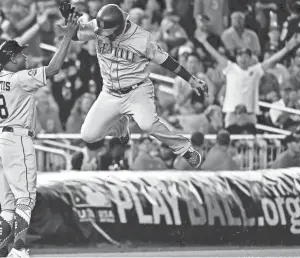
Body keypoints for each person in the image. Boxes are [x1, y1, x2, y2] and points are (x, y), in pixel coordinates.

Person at [58, 3, 209, 168]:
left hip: (136, 91)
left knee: (148, 125)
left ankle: (185, 149)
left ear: (119, 27)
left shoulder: (142, 39)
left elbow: (168, 62)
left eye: (108, 32)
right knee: (87, 135)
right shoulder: (98, 26)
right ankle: (121, 126)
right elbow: (76, 35)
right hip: (110, 93)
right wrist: (69, 19)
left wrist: (192, 80)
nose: (104, 36)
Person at [0, 14, 80, 258]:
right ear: (12, 59)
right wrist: (67, 36)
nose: (25, 56)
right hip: (17, 138)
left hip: (0, 139)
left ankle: (3, 250)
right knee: (25, 198)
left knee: (7, 204)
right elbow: (54, 68)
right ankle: (19, 247)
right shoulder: (20, 78)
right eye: (21, 54)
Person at [196, 29, 300, 128]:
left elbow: (271, 61)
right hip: (232, 113)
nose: (243, 59)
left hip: (250, 113)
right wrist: (204, 42)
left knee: (251, 143)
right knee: (232, 141)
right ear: (236, 58)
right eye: (240, 56)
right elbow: (216, 55)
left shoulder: (256, 70)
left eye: (245, 56)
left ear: (250, 58)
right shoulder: (230, 68)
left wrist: (286, 49)